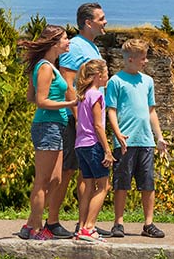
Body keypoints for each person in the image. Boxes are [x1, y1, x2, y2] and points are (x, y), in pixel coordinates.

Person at [48, 2, 111, 238]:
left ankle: (84, 223)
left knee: (85, 173)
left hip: (88, 121)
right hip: (77, 121)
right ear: (88, 22)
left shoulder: (91, 47)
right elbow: (67, 82)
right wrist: (78, 117)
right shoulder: (75, 47)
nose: (105, 22)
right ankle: (52, 221)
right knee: (67, 170)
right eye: (101, 18)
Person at [17, 25, 77, 240]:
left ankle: (31, 225)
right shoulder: (45, 68)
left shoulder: (50, 66)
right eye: (65, 38)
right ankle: (34, 228)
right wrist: (69, 102)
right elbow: (40, 101)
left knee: (56, 179)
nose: (69, 41)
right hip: (47, 127)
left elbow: (30, 96)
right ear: (54, 43)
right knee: (42, 181)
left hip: (56, 126)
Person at [106, 38, 168, 239]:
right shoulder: (116, 81)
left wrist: (158, 137)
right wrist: (117, 134)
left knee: (148, 183)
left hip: (146, 141)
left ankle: (148, 223)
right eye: (143, 58)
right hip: (125, 141)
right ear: (131, 59)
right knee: (121, 183)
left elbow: (151, 111)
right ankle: (118, 223)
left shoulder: (147, 81)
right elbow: (111, 111)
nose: (146, 61)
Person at [74, 59, 115, 242]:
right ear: (99, 75)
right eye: (106, 73)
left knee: (89, 186)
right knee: (104, 186)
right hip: (92, 144)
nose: (108, 76)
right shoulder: (96, 95)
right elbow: (98, 125)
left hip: (80, 145)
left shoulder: (83, 95)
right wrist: (107, 150)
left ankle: (82, 227)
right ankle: (89, 227)